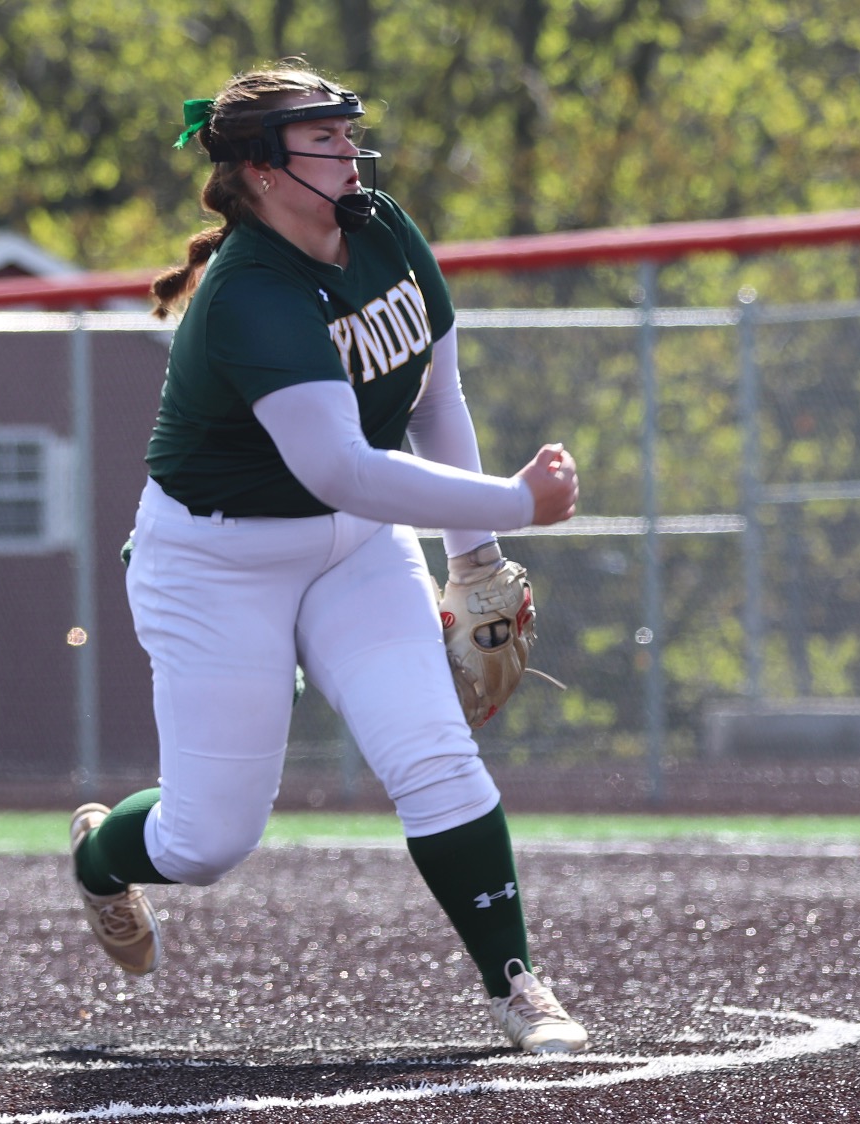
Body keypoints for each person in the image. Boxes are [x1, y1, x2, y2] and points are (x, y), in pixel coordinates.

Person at [64, 62, 588, 1055]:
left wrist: (476, 559)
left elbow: (434, 398)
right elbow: (342, 467)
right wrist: (518, 503)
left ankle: (515, 981)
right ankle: (101, 856)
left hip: (354, 549)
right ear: (261, 168)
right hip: (219, 563)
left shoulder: (380, 226)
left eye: (347, 130)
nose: (350, 149)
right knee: (207, 841)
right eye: (323, 136)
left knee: (434, 756)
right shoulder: (250, 293)